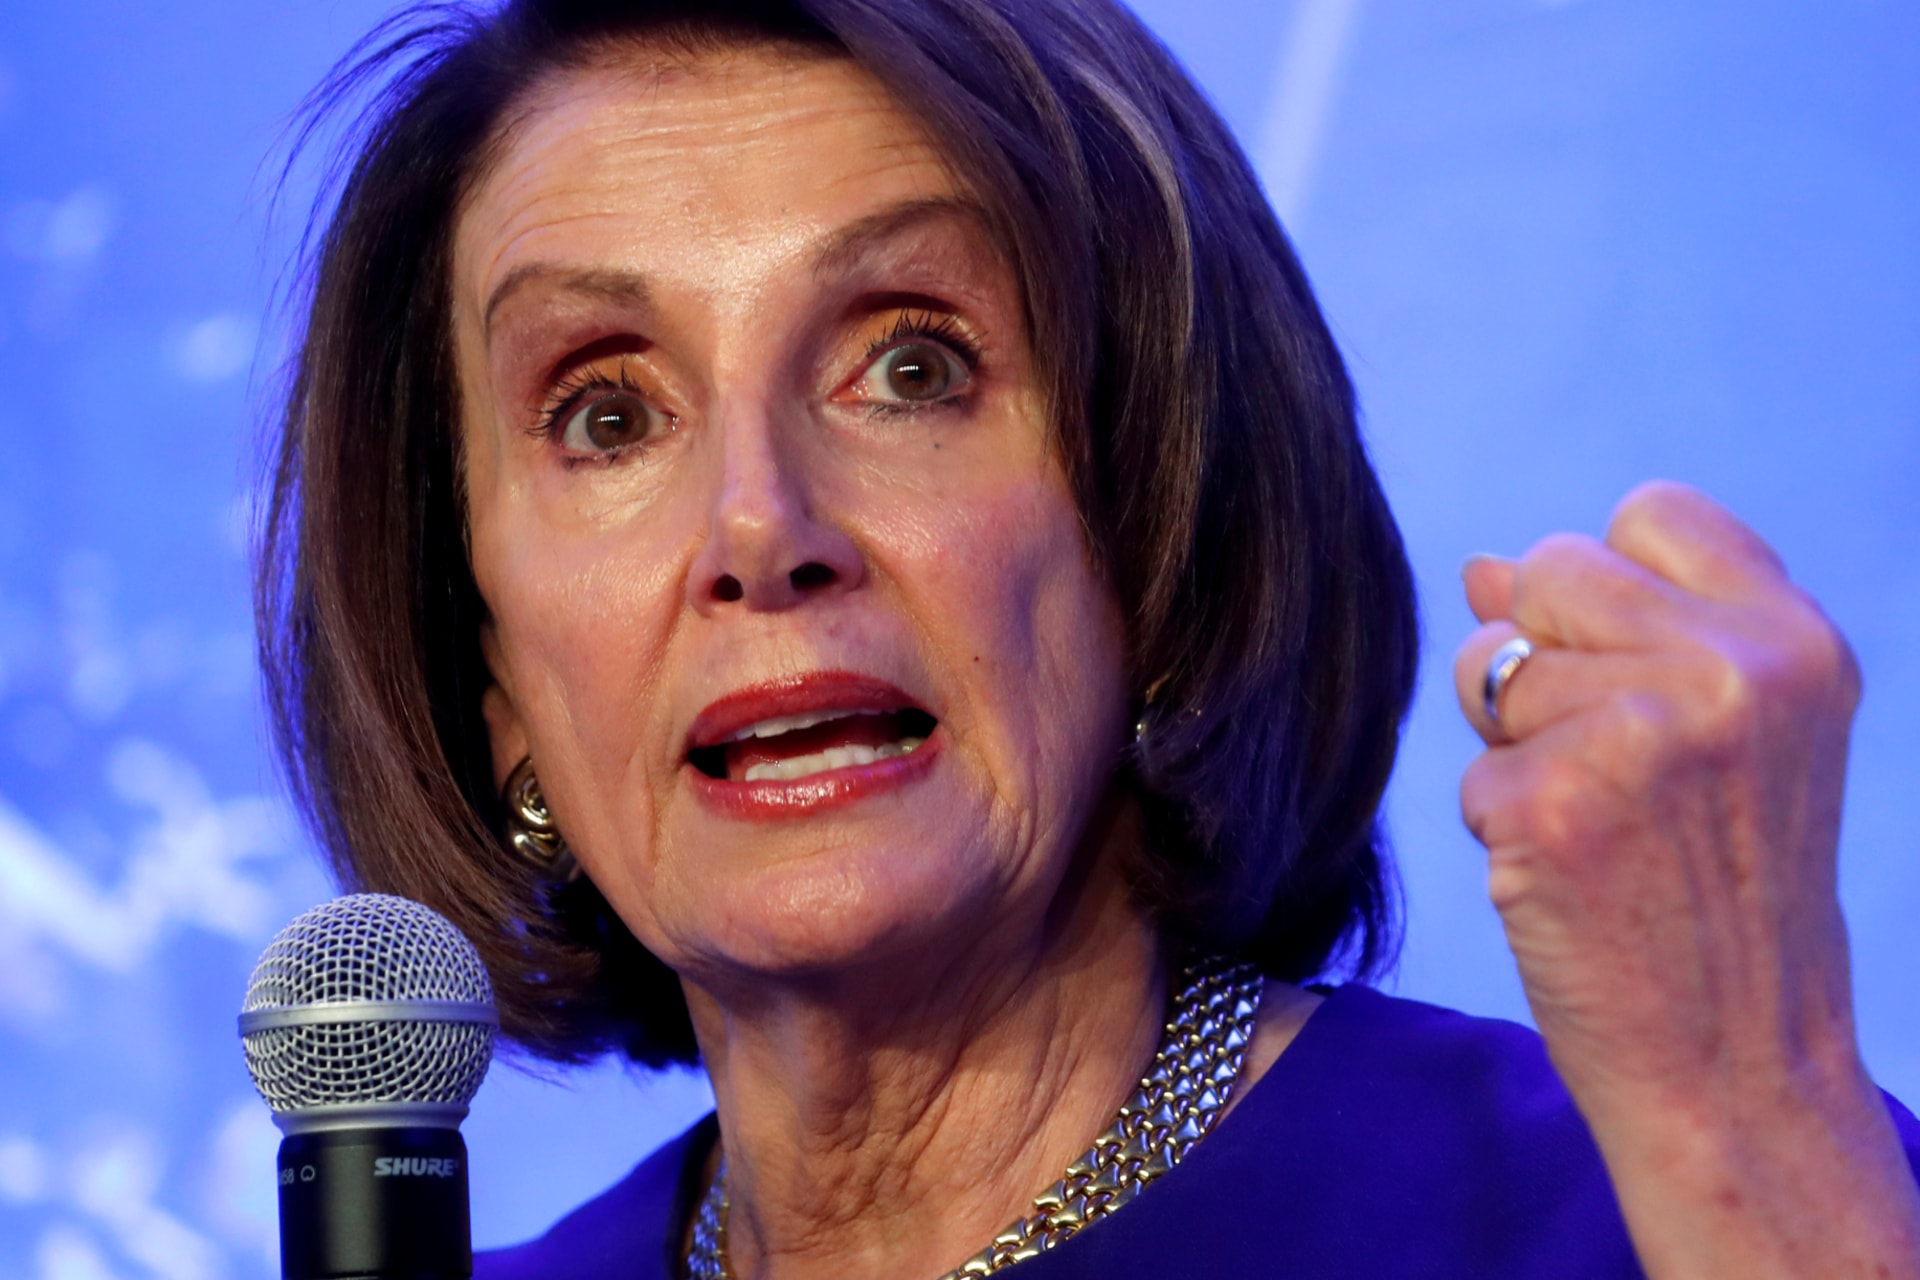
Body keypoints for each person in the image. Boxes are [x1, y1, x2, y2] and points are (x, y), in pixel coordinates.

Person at [256, 0, 1920, 1275]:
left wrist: (1752, 1129)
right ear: (494, 684)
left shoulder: (1651, 1204)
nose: (759, 527)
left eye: (912, 368)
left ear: (1160, 530)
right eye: (608, 417)